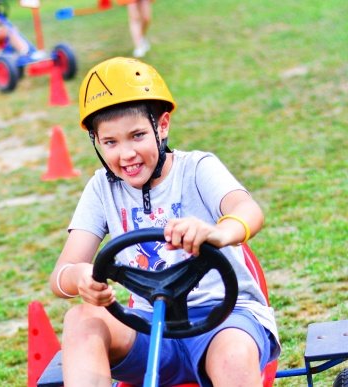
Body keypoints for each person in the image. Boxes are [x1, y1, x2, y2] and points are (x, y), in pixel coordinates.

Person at [49, 57, 280, 387]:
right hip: (148, 324)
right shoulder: (102, 189)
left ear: (163, 125)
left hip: (227, 319)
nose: (126, 154)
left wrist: (217, 232)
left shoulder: (197, 168)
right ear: (96, 142)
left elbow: (248, 211)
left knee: (232, 355)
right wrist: (77, 277)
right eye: (111, 142)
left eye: (138, 135)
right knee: (81, 319)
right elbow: (61, 273)